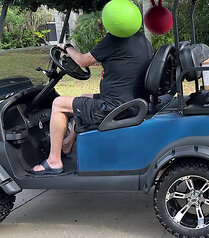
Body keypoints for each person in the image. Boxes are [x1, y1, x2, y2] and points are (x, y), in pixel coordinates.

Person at [31, 31, 153, 175]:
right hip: (131, 102)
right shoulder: (142, 39)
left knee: (58, 104)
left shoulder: (115, 39)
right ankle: (68, 143)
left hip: (114, 107)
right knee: (84, 97)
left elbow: (83, 61)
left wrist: (67, 47)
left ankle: (53, 161)